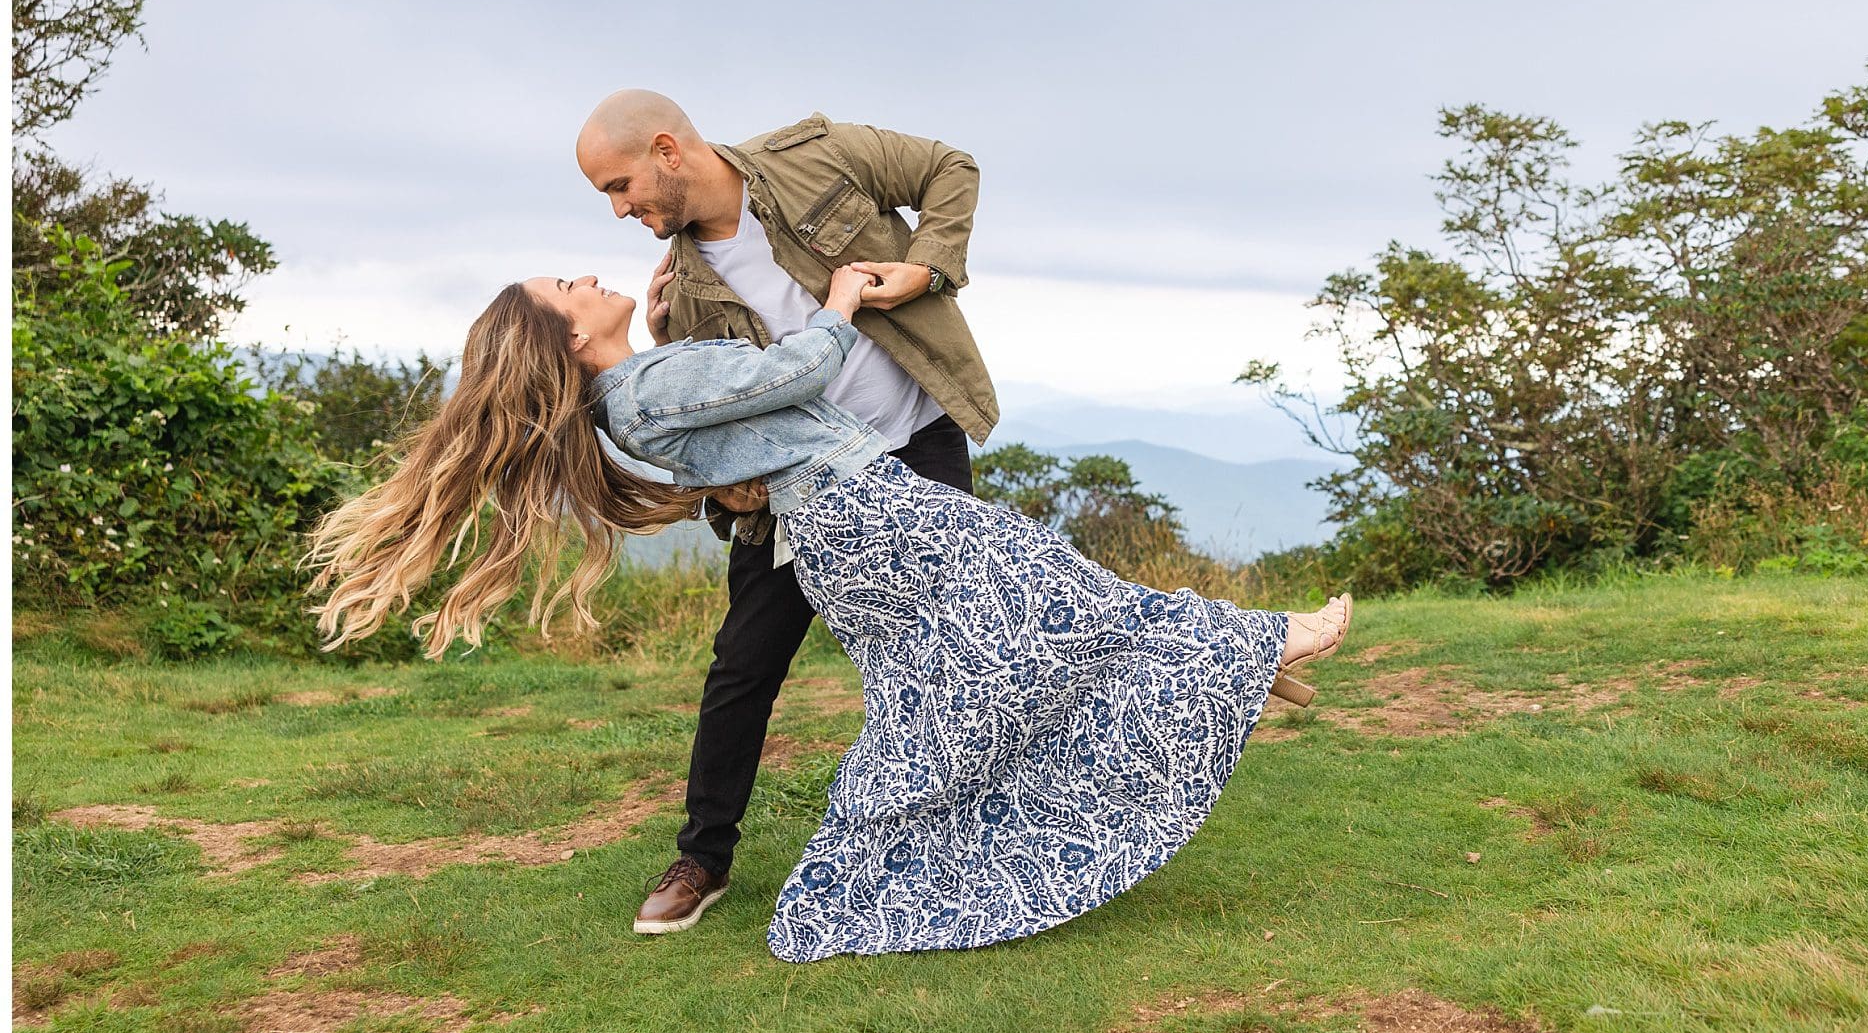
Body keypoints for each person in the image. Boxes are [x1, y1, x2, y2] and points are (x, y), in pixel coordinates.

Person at [307, 267, 1353, 963]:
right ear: (574, 331)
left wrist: (673, 333)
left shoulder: (638, 393)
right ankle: (1261, 643)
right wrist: (841, 300)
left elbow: (734, 422)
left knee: (991, 644)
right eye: (566, 283)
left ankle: (1229, 660)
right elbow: (793, 371)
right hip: (866, 506)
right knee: (1048, 590)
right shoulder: (648, 387)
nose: (585, 274)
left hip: (844, 521)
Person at [573, 89, 998, 935]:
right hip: (794, 489)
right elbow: (697, 411)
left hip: (915, 441)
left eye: (620, 186)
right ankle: (703, 857)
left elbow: (950, 166)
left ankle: (959, 837)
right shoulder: (678, 288)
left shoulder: (819, 154)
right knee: (743, 666)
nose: (622, 212)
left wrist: (929, 264)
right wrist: (719, 490)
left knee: (947, 648)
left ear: (667, 149)